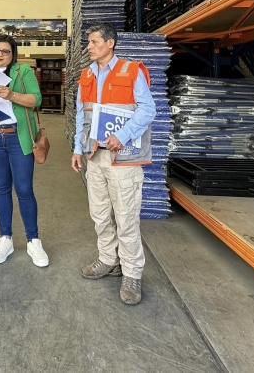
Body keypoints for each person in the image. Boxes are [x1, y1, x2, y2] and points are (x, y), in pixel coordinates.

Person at [71, 23, 156, 305]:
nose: (89, 47)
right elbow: (81, 116)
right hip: (95, 156)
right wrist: (77, 149)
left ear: (110, 43)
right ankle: (108, 260)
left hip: (124, 159)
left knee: (126, 217)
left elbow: (148, 109)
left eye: (94, 42)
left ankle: (131, 273)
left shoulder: (131, 71)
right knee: (99, 214)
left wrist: (123, 134)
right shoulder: (86, 75)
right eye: (88, 42)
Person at [0, 35, 49, 267]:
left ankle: (33, 240)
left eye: (5, 51)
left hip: (19, 138)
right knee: (2, 189)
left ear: (12, 54)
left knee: (24, 189)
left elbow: (36, 99)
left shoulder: (22, 72)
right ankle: (5, 238)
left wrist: (12, 95)